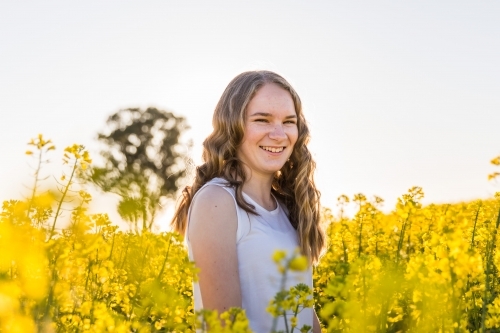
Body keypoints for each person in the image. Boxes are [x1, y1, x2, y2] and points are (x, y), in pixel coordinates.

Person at [171, 70, 324, 332]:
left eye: (288, 121)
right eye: (262, 120)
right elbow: (225, 326)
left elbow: (304, 315)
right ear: (234, 126)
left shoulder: (288, 208)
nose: (278, 134)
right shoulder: (217, 200)